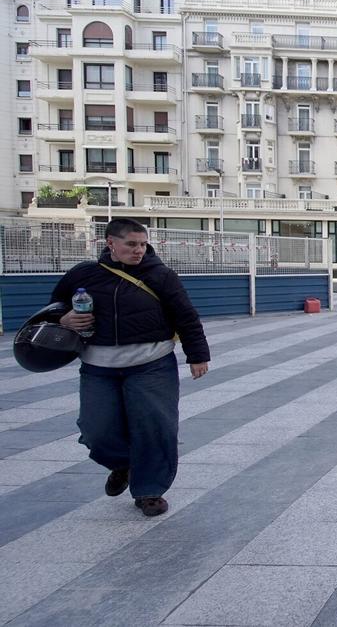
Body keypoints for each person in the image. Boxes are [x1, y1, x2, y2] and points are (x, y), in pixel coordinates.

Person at [52, 219, 210, 517]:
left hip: (151, 364)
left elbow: (186, 316)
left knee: (155, 427)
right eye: (131, 244)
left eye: (142, 244)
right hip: (99, 366)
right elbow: (54, 308)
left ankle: (150, 490)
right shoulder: (84, 275)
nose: (138, 250)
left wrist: (197, 355)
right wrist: (64, 320)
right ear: (111, 243)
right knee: (96, 430)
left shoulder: (161, 276)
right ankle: (122, 463)